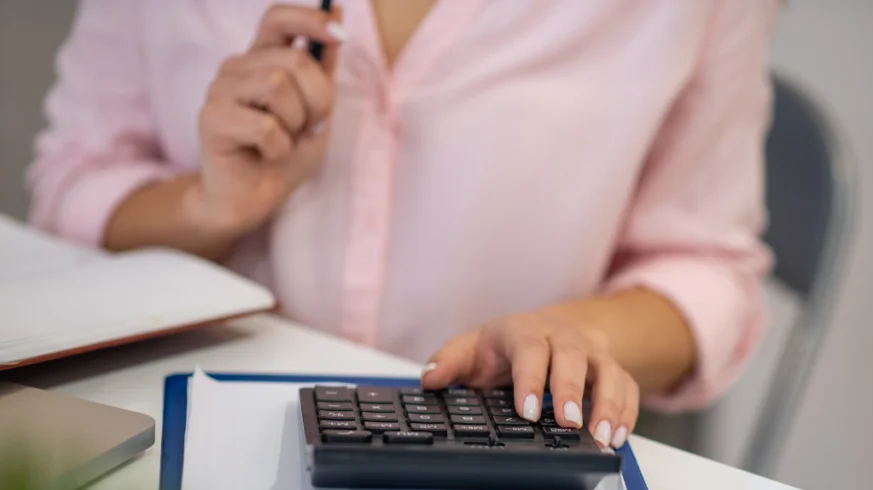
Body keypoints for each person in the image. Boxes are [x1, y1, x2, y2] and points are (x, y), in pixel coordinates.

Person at [28, 1, 777, 450]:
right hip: (171, 432)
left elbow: (707, 267)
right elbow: (71, 183)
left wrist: (580, 339)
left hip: (495, 479)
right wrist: (207, 207)